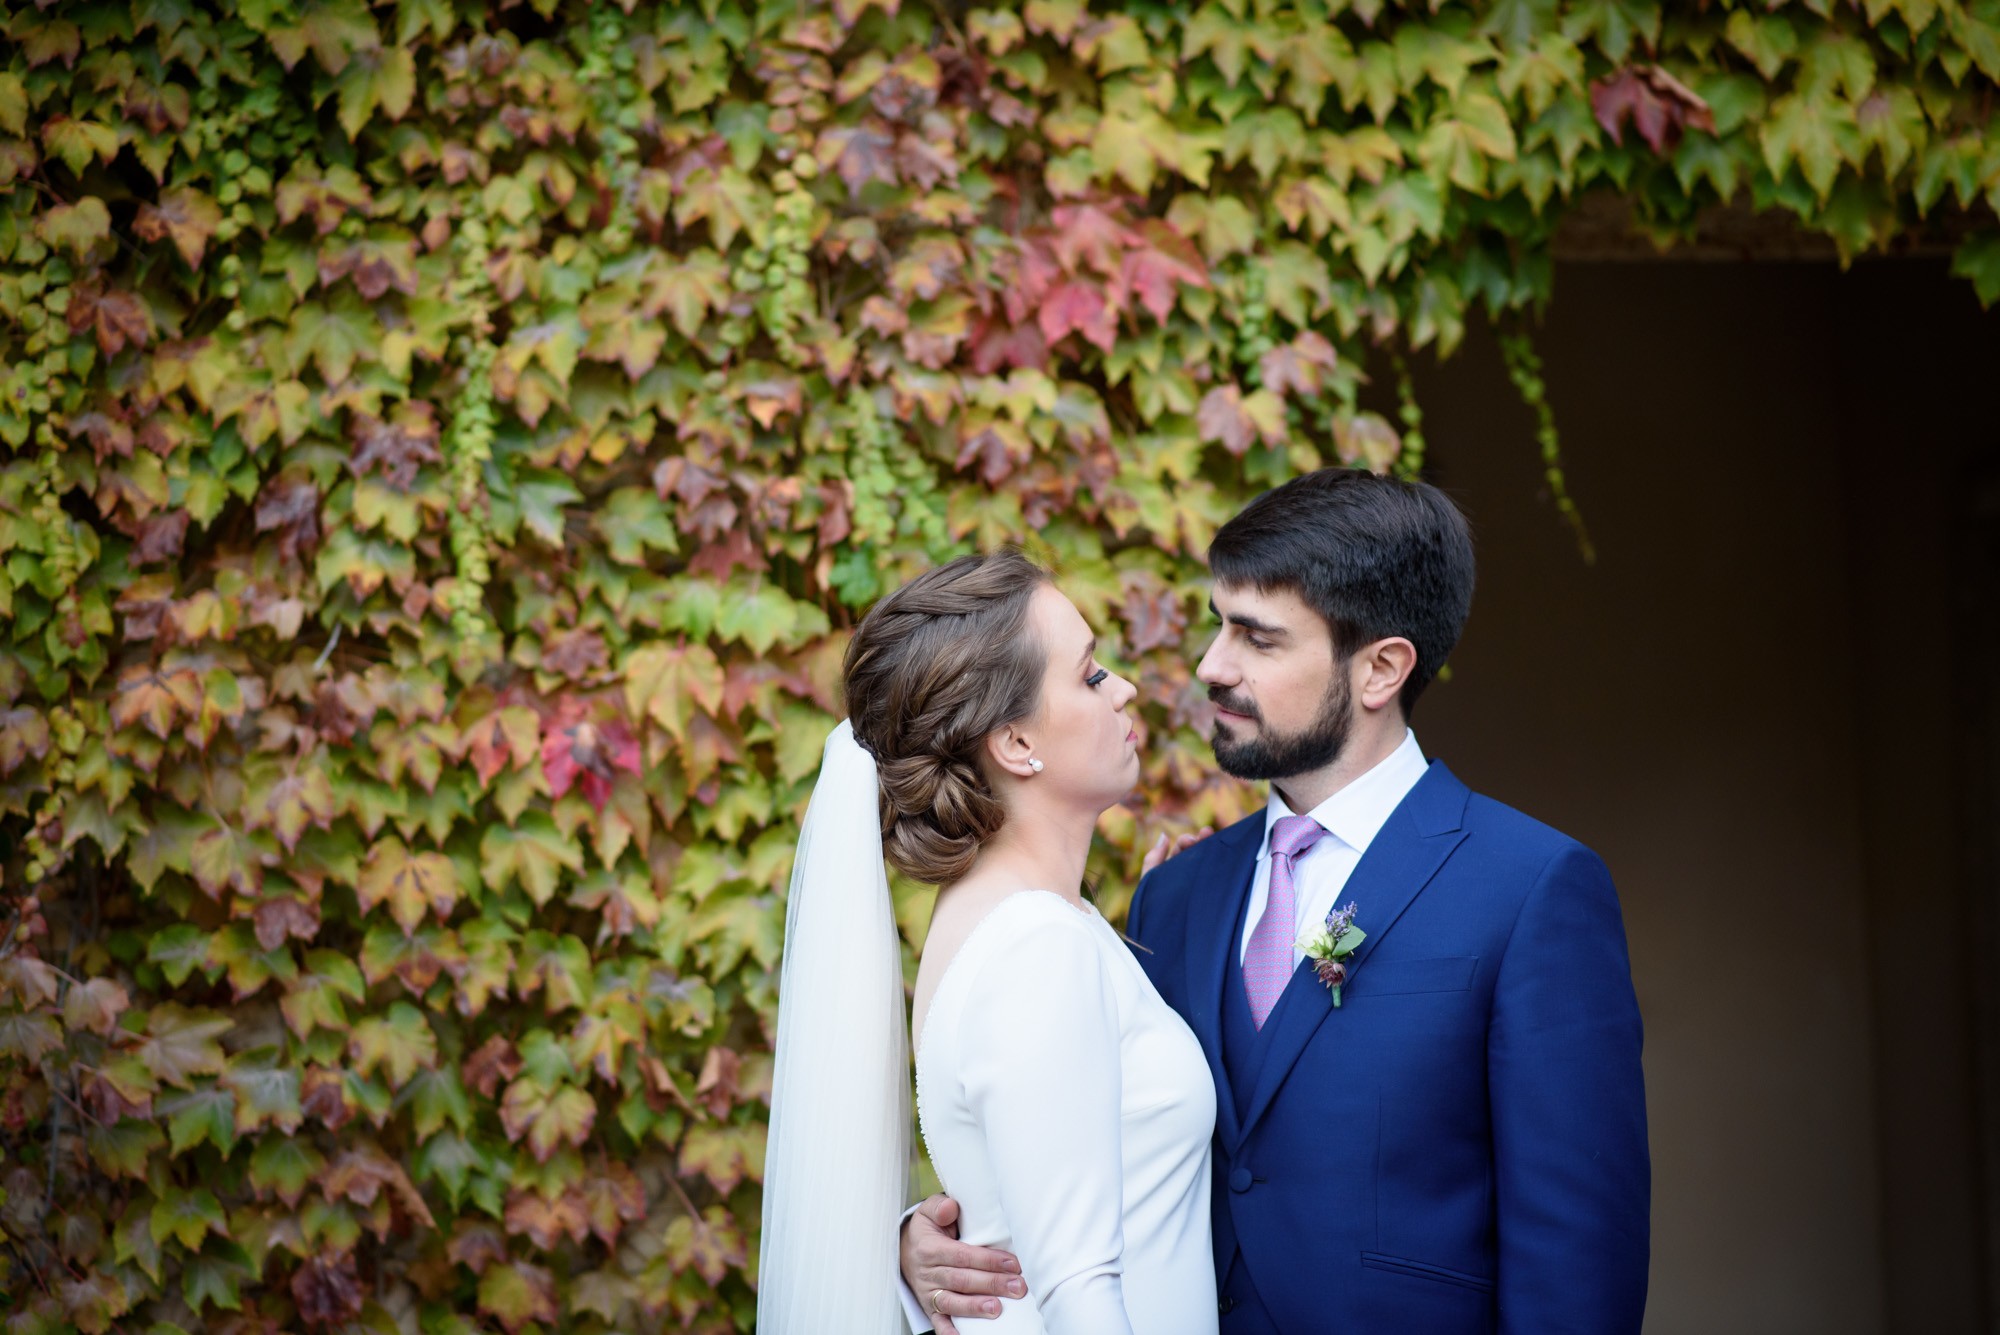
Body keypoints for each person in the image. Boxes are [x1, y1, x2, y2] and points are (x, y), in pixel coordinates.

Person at [902, 468, 1651, 1334]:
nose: (1210, 666)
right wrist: (933, 1237)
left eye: (1257, 639)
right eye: (1219, 623)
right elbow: (1087, 1142)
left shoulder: (1531, 889)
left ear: (1381, 669)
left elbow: (1576, 1263)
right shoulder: (1176, 897)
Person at [760, 549, 1220, 1335]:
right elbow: (1080, 1292)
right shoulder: (1037, 946)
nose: (1125, 689)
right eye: (1090, 675)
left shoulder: (1036, 920)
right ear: (1013, 743)